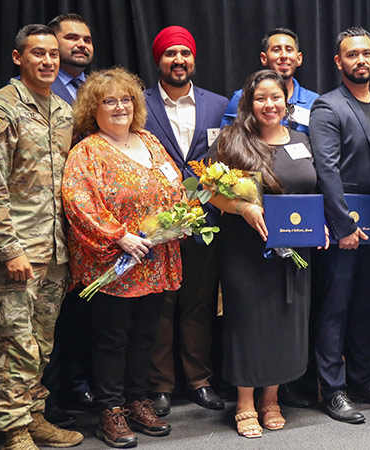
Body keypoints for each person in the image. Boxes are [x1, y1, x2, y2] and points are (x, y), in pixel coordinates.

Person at [0, 24, 83, 450]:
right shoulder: (0, 108)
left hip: (56, 252)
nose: (49, 61)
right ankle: (14, 429)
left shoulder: (64, 111)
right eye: (38, 53)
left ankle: (34, 416)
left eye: (54, 53)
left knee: (41, 342)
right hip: (17, 252)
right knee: (15, 342)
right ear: (19, 58)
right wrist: (9, 249)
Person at [63, 67, 182, 448]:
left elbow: (174, 183)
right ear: (92, 109)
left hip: (154, 260)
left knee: (145, 337)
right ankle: (110, 410)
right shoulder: (88, 151)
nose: (119, 107)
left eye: (126, 99)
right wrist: (121, 237)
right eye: (109, 101)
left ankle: (136, 400)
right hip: (112, 265)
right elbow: (78, 203)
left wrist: (178, 219)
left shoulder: (149, 141)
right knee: (112, 340)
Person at [208, 70, 319, 438]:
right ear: (249, 104)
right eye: (261, 99)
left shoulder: (302, 139)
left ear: (286, 99)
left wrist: (321, 228)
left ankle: (271, 398)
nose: (270, 104)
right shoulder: (232, 140)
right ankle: (244, 402)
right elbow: (207, 191)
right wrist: (243, 207)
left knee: (284, 324)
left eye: (276, 97)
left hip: (294, 253)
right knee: (248, 324)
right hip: (246, 252)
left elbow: (312, 191)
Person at [310, 26, 370, 424]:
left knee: (366, 306)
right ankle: (333, 389)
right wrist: (342, 225)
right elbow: (325, 169)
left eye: (366, 54)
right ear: (338, 62)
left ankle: (363, 379)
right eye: (351, 55)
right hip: (343, 226)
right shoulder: (327, 107)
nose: (359, 60)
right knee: (335, 310)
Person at [143, 25, 228, 417]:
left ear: (194, 59)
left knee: (198, 303)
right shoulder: (138, 104)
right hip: (155, 225)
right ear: (158, 60)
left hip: (203, 221)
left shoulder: (218, 104)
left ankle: (199, 380)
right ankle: (160, 385)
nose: (179, 60)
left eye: (185, 54)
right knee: (160, 305)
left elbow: (227, 160)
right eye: (170, 54)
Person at [41, 13, 97, 427]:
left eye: (86, 39)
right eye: (71, 38)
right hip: (45, 222)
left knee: (81, 310)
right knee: (44, 315)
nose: (80, 44)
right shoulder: (43, 93)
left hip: (92, 221)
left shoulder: (93, 91)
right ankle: (44, 400)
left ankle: (77, 385)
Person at [221, 27, 319, 135]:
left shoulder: (314, 102)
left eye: (289, 50)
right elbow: (226, 141)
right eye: (276, 50)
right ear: (264, 58)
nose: (284, 56)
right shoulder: (242, 98)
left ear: (299, 58)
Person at [48, 14, 93, 105]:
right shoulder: (29, 86)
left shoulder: (102, 86)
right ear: (51, 42)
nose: (82, 45)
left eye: (87, 40)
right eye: (72, 38)